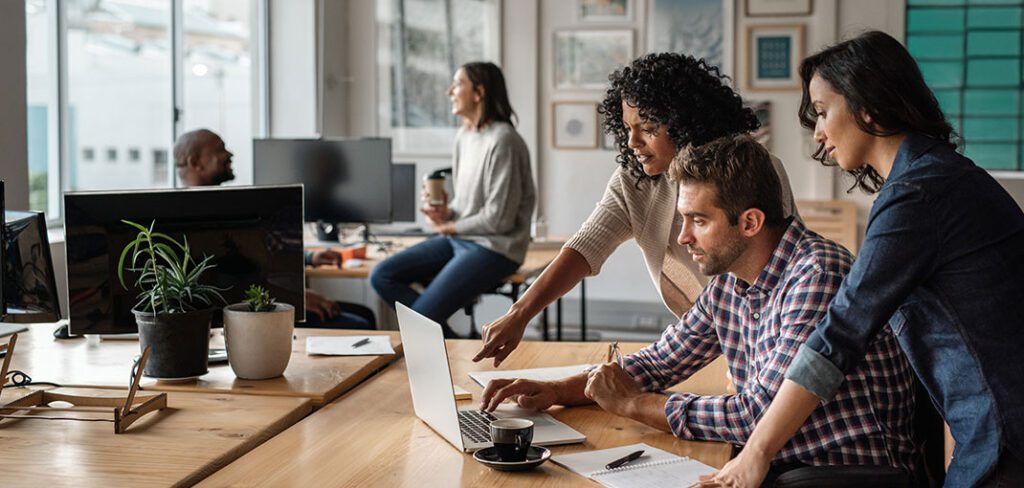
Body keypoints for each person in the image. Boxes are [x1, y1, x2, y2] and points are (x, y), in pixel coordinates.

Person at [480, 135, 917, 481]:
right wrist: (560, 390)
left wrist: (634, 406)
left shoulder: (816, 274)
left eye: (698, 221)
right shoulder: (731, 278)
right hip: (784, 462)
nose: (684, 237)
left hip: (845, 471)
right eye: (683, 219)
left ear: (749, 222)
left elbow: (754, 415)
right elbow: (659, 362)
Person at [698, 31, 1024, 488]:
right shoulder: (936, 177)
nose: (819, 133)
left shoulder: (917, 195)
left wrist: (756, 453)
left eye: (824, 111)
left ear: (867, 105)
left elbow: (840, 332)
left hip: (1006, 432)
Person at [474, 53, 798, 366]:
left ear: (686, 122)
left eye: (647, 128)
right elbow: (586, 245)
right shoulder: (636, 178)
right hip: (701, 337)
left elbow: (776, 274)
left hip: (766, 334)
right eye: (627, 128)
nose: (632, 142)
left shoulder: (749, 170)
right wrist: (519, 314)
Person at [369, 62, 536, 338]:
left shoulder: (504, 141)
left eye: (458, 84)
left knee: (420, 319)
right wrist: (446, 213)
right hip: (461, 240)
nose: (449, 91)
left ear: (479, 92)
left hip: (495, 249)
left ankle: (438, 341)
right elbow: (466, 207)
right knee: (382, 275)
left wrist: (450, 227)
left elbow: (499, 219)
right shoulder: (464, 137)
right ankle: (450, 342)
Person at [173, 129, 374, 329]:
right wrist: (293, 299)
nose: (230, 154)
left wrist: (310, 259)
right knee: (360, 323)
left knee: (365, 314)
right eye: (220, 150)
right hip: (248, 315)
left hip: (267, 299)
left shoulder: (221, 207)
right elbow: (227, 287)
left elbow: (257, 257)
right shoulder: (191, 220)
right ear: (195, 163)